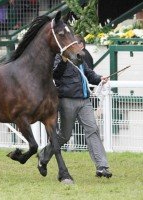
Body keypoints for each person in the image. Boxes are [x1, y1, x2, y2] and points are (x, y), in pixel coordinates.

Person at [37, 36, 112, 179]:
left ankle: (102, 166)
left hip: (85, 101)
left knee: (93, 130)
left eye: (75, 44)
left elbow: (89, 75)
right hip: (67, 101)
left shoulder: (80, 58)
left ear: (81, 46)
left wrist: (100, 78)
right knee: (65, 136)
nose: (72, 46)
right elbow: (56, 75)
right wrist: (64, 61)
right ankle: (43, 156)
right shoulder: (60, 57)